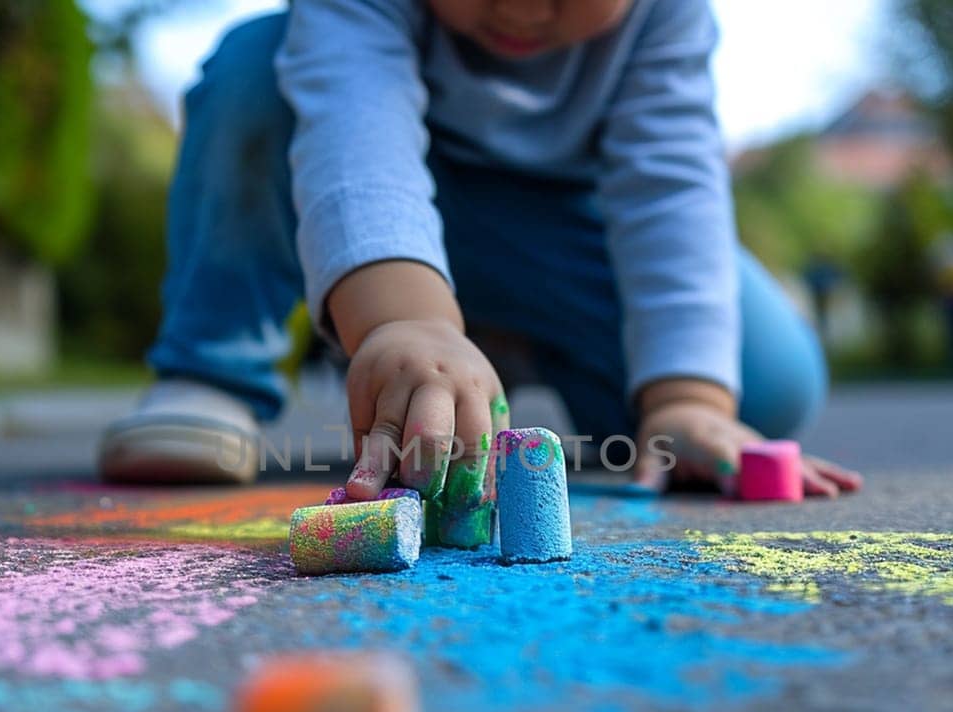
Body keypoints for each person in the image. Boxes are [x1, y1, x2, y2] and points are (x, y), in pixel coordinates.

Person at [98, 0, 861, 507]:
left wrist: (689, 398)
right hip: (381, 204)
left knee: (767, 384)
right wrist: (405, 320)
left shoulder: (665, 16)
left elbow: (669, 187)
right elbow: (354, 133)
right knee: (255, 68)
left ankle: (513, 364)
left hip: (558, 234)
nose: (523, 7)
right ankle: (211, 370)